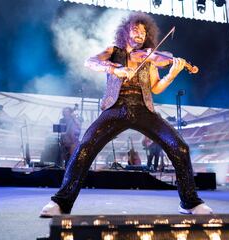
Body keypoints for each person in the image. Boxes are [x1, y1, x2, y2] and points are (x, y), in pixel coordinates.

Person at [40, 12, 212, 217]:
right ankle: (61, 202)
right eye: (136, 30)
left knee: (180, 147)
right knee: (85, 147)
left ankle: (189, 202)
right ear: (126, 31)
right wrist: (115, 69)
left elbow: (156, 88)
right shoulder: (114, 52)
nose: (140, 34)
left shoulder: (149, 57)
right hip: (115, 108)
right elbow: (90, 62)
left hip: (143, 110)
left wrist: (172, 75)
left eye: (143, 32)